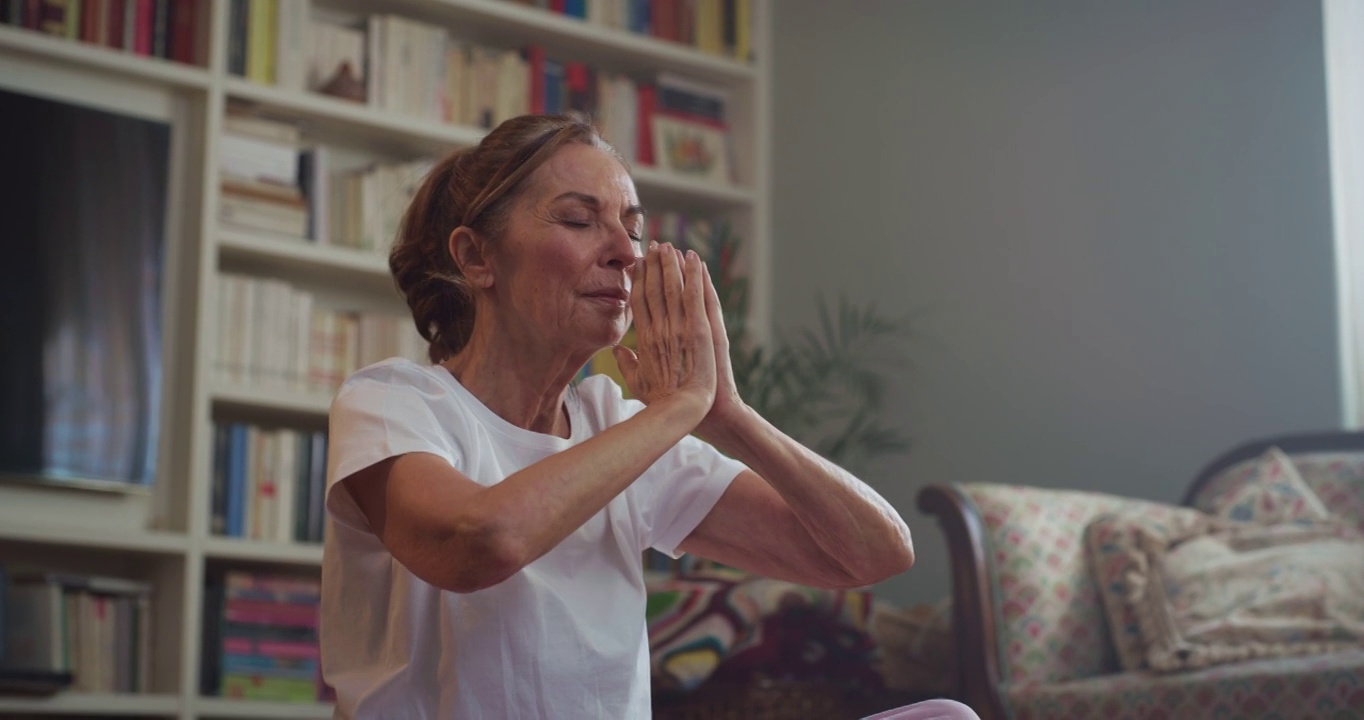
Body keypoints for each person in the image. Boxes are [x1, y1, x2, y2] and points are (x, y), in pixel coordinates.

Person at [320, 114, 978, 720]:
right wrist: (675, 410)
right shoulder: (394, 401)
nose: (626, 253)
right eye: (580, 221)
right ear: (476, 257)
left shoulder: (622, 425)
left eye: (632, 229)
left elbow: (873, 554)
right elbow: (477, 545)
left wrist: (729, 417)